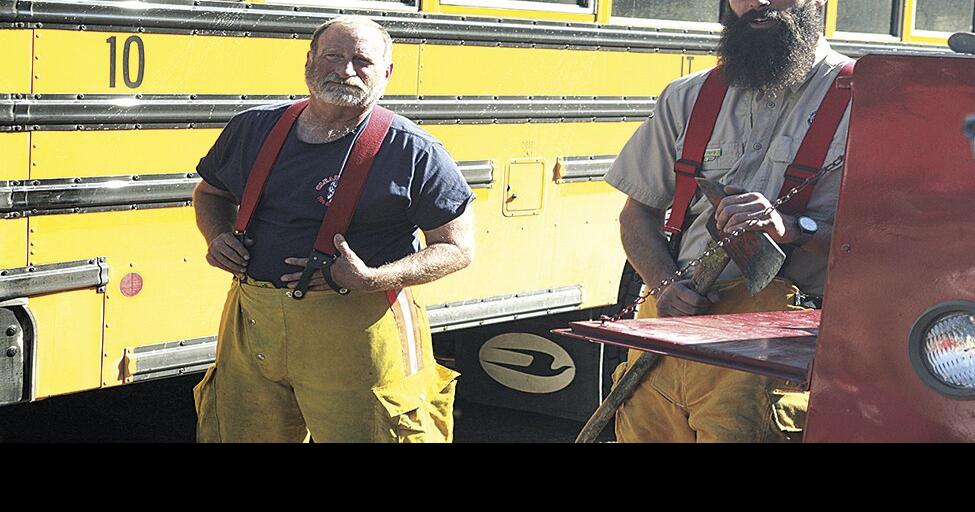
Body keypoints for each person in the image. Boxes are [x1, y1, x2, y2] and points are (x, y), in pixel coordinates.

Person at [190, 16, 475, 443]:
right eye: (334, 56)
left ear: (387, 73)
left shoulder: (415, 150)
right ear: (309, 62)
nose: (345, 70)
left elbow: (457, 248)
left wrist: (376, 278)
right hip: (254, 323)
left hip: (358, 330)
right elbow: (210, 194)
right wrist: (217, 236)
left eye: (362, 61)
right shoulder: (253, 128)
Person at [604, 0, 852, 442]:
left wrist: (795, 229)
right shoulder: (688, 97)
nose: (757, 2)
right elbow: (637, 214)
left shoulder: (866, 106)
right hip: (671, 336)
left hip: (776, 354)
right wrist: (663, 283)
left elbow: (899, 247)